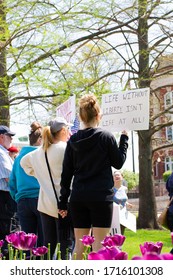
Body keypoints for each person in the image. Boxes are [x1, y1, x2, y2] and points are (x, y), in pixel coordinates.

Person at [58, 93, 128, 260]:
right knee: (99, 246)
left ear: (81, 116)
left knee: (79, 246)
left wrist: (62, 201)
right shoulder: (106, 136)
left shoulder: (73, 140)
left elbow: (66, 174)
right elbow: (118, 162)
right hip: (100, 198)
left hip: (78, 197)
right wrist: (124, 139)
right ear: (98, 115)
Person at [20, 117, 74, 260]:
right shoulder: (66, 148)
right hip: (64, 205)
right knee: (65, 247)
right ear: (63, 131)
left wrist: (38, 174)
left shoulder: (38, 152)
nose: (69, 132)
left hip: (45, 206)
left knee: (47, 247)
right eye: (68, 129)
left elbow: (23, 162)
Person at [9, 121, 43, 248]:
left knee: (27, 244)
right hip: (40, 199)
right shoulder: (41, 155)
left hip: (22, 200)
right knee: (43, 243)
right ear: (40, 139)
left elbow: (12, 182)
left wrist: (17, 197)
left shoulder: (18, 158)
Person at [0, 125, 17, 257]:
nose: (11, 139)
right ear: (1, 137)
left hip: (5, 196)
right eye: (9, 136)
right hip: (4, 197)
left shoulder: (3, 153)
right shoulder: (1, 153)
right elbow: (9, 178)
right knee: (6, 228)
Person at [113, 170, 133, 235]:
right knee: (114, 233)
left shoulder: (124, 189)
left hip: (123, 214)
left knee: (121, 234)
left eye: (118, 175)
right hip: (114, 215)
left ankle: (120, 245)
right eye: (115, 175)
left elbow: (124, 200)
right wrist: (116, 205)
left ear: (122, 177)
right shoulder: (111, 189)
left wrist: (128, 204)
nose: (117, 176)